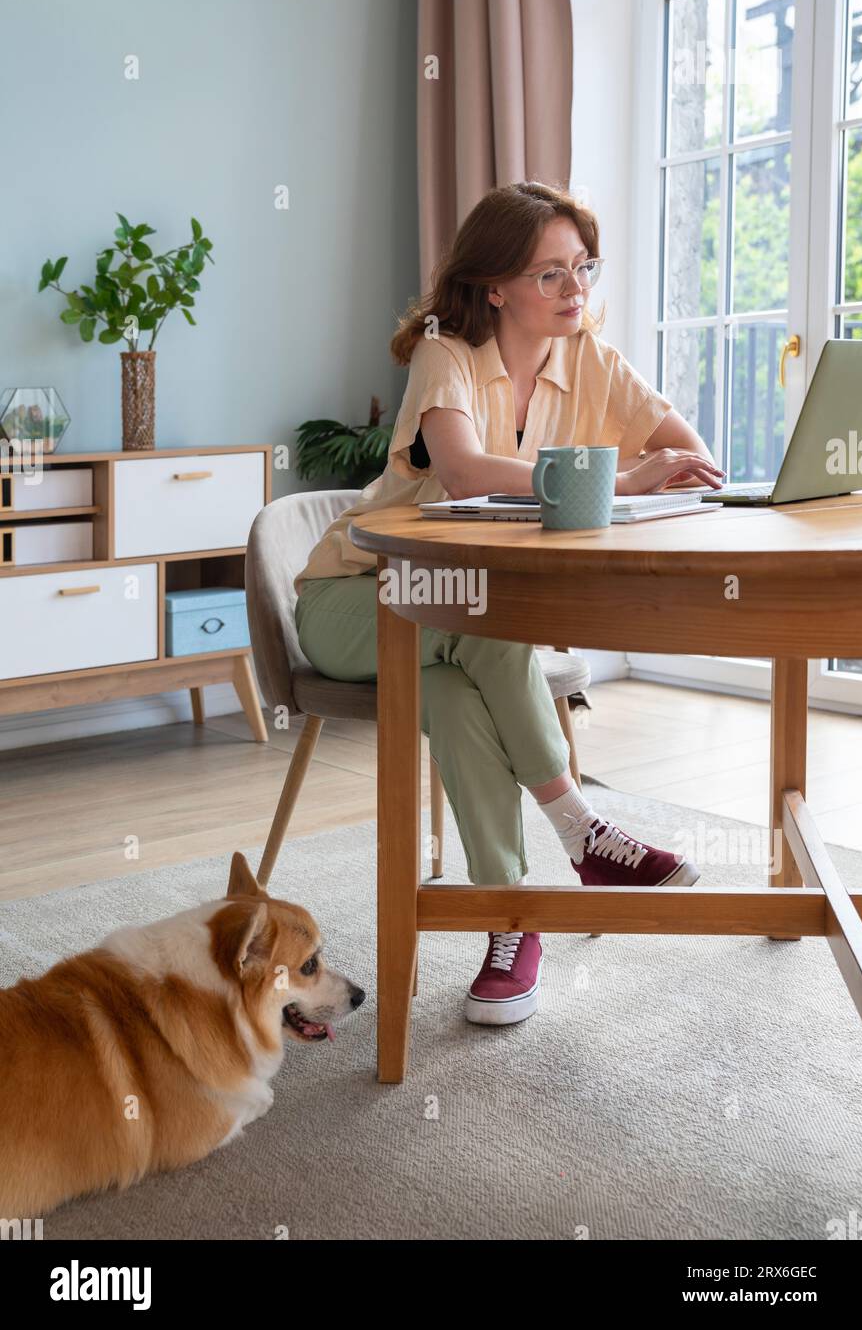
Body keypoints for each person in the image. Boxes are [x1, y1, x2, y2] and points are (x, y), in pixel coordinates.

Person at [292, 180, 725, 1027]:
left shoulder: (590, 359)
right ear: (495, 286)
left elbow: (691, 454)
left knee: (462, 684)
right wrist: (615, 479)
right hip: (357, 602)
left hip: (454, 623)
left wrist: (649, 474)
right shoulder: (444, 353)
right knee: (486, 626)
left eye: (583, 270)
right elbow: (458, 468)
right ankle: (585, 833)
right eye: (551, 276)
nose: (576, 292)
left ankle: (508, 923)